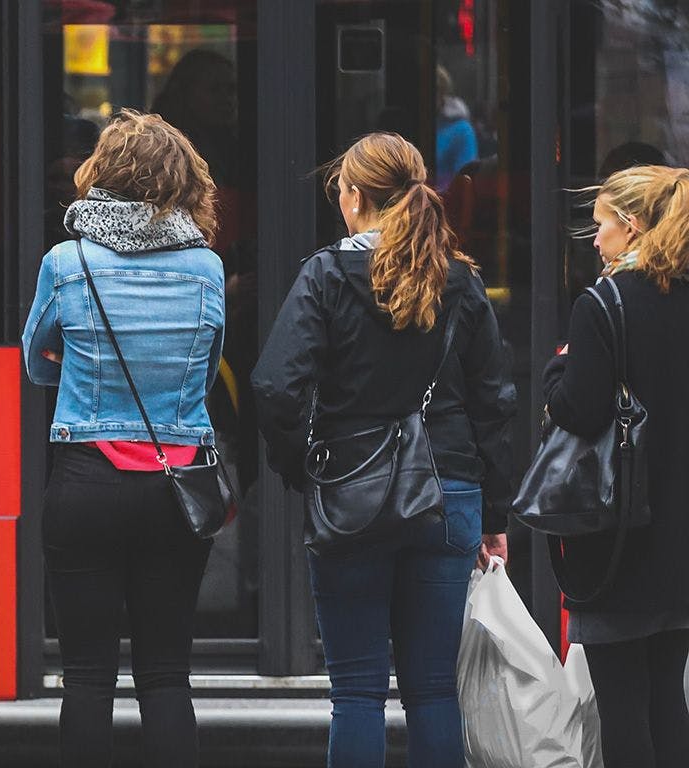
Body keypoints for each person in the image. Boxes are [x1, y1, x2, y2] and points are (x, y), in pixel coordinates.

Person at [251, 132, 514, 768]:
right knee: (432, 693)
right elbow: (495, 406)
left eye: (340, 190)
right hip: (448, 491)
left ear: (357, 198)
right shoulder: (459, 281)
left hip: (351, 493)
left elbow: (274, 388)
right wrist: (495, 516)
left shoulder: (325, 275)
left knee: (358, 694)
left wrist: (302, 468)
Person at [21, 109, 224, 768]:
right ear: (181, 180)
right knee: (166, 673)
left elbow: (33, 361)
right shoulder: (205, 267)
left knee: (86, 674)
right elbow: (209, 357)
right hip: (177, 482)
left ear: (101, 174)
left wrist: (77, 366)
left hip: (87, 481)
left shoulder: (67, 261)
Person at [544, 164, 689, 767]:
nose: (595, 239)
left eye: (600, 225)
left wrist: (559, 367)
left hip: (621, 537)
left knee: (623, 709)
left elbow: (576, 409)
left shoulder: (602, 304)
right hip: (681, 541)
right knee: (668, 698)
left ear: (631, 227)